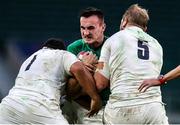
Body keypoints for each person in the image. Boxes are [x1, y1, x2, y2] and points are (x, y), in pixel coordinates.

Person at [94, 4, 169, 124]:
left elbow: (100, 84)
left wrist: (94, 66)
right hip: (153, 108)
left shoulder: (113, 39)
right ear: (144, 28)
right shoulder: (157, 44)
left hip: (121, 107)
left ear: (124, 21)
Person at [0, 38, 102, 124]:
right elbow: (78, 69)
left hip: (9, 106)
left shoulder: (29, 59)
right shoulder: (62, 54)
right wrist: (95, 97)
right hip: (40, 106)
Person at [61, 7, 110, 124]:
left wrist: (81, 74)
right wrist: (83, 67)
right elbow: (68, 89)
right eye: (82, 28)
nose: (86, 33)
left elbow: (104, 84)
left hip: (101, 108)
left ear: (103, 27)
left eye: (91, 28)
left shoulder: (112, 47)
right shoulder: (73, 48)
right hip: (75, 104)